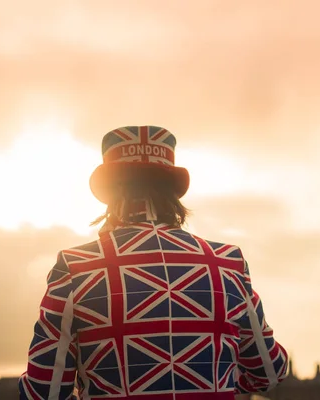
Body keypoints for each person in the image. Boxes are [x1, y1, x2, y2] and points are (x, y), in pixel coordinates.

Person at [19, 126, 289, 399]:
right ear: (173, 191)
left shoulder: (75, 268)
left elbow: (45, 393)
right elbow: (269, 372)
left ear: (111, 192)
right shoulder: (227, 263)